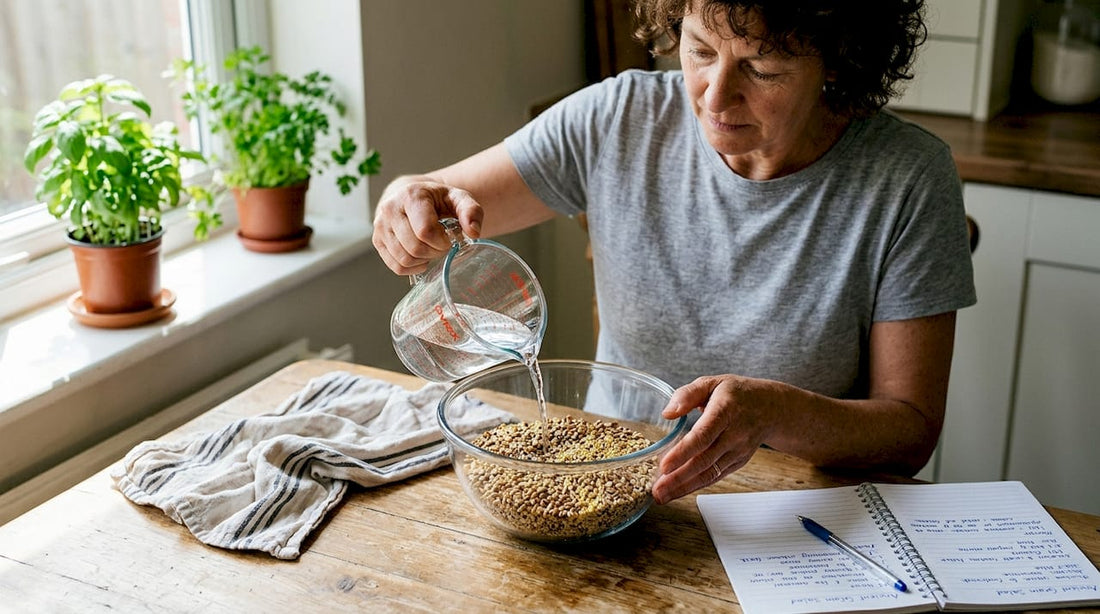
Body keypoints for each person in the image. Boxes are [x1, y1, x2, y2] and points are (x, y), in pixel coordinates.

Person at [372, 0, 976, 504]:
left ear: (838, 62)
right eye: (699, 51)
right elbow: (441, 199)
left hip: (795, 516)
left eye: (761, 66)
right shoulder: (619, 117)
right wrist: (407, 200)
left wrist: (776, 414)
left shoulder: (909, 177)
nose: (715, 96)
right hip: (610, 488)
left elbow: (910, 431)